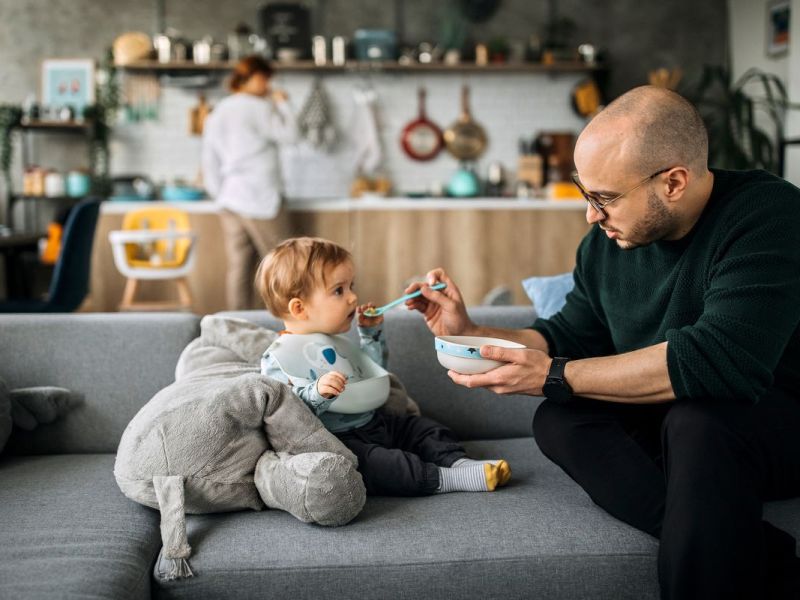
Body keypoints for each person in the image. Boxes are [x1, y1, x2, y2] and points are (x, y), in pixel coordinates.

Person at [404, 86, 800, 599]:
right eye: (584, 192)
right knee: (561, 417)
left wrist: (553, 374)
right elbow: (567, 335)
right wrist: (470, 330)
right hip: (682, 428)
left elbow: (718, 360)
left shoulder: (770, 215)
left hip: (771, 420)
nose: (591, 214)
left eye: (605, 198)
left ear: (674, 182)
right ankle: (757, 551)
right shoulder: (606, 243)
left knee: (697, 421)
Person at [256, 236, 511, 497]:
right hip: (341, 440)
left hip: (376, 422)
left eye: (351, 286)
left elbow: (372, 372)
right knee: (382, 467)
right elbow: (286, 417)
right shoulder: (278, 359)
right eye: (338, 290)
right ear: (299, 308)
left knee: (424, 429)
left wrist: (371, 335)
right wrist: (317, 393)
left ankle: (460, 462)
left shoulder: (335, 341)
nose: (353, 298)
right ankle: (449, 479)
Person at [202, 55, 298, 310]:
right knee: (285, 263)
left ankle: (239, 322)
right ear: (254, 77)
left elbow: (208, 157)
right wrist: (284, 105)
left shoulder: (219, 110)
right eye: (266, 79)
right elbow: (291, 135)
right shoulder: (260, 107)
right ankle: (289, 321)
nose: (268, 85)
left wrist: (218, 193)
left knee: (240, 268)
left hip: (230, 198)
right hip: (260, 196)